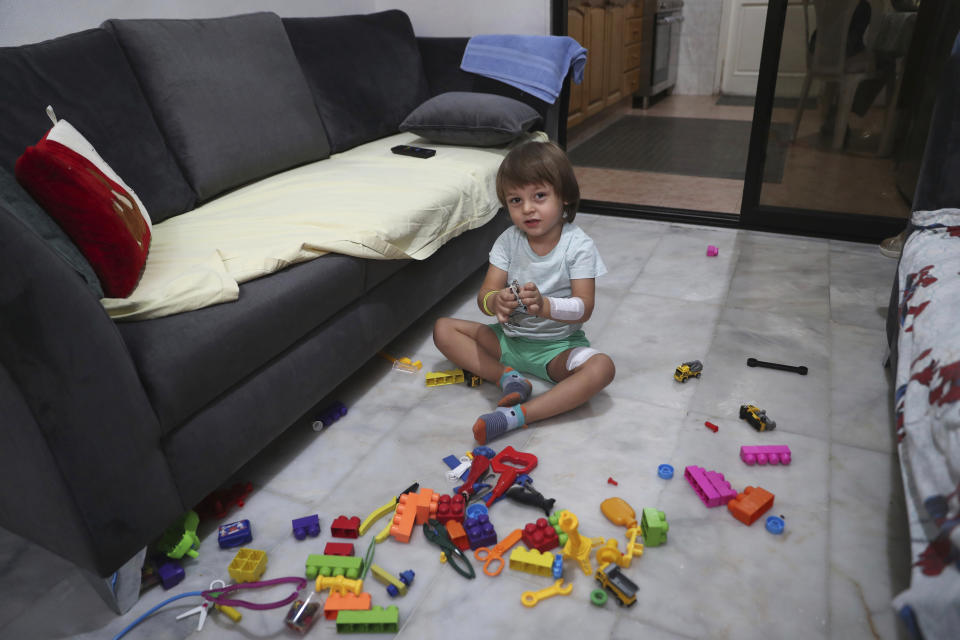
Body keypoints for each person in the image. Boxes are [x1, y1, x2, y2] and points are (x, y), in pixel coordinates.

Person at [432, 140, 615, 444]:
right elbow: (485, 296)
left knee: (602, 368)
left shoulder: (579, 246)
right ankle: (507, 377)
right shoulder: (508, 241)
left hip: (557, 348)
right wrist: (496, 301)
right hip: (508, 341)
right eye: (516, 200)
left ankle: (517, 416)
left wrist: (544, 306)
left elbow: (584, 307)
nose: (528, 208)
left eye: (539, 196)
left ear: (565, 197)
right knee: (442, 328)